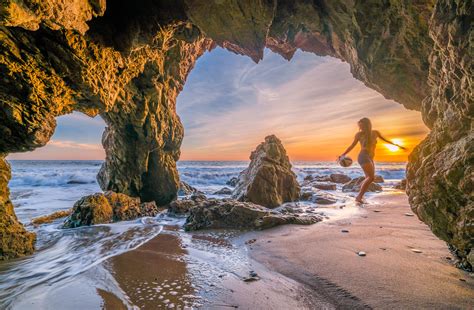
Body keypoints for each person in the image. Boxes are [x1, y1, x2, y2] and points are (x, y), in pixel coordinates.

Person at [339, 117, 406, 203]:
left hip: (370, 157)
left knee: (369, 177)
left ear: (367, 125)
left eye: (362, 126)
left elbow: (386, 140)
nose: (361, 128)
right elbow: (352, 146)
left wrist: (398, 146)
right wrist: (343, 154)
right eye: (360, 126)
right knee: (371, 177)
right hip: (363, 156)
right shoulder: (359, 135)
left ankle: (360, 195)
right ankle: (359, 197)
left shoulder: (375, 133)